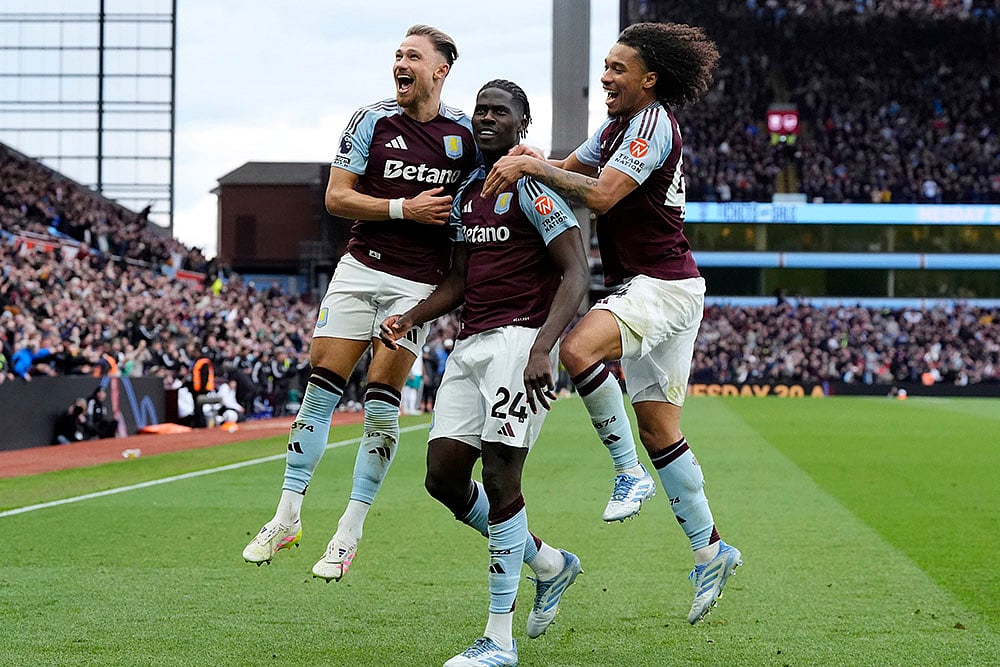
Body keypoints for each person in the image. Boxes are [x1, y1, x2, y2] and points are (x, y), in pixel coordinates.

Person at [482, 22, 742, 625]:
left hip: (660, 284)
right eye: (603, 66)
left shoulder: (651, 125)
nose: (605, 77)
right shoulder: (617, 127)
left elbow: (597, 195)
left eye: (617, 69)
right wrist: (529, 162)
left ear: (649, 80)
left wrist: (533, 168)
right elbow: (567, 170)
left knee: (576, 351)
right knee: (660, 431)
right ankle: (710, 549)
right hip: (664, 287)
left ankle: (628, 476)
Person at [242, 24, 479, 583]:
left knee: (380, 403)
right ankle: (287, 516)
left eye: (413, 56)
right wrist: (405, 209)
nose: (401, 63)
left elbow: (476, 203)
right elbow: (336, 197)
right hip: (359, 268)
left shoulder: (464, 135)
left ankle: (349, 531)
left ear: (441, 69)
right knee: (319, 390)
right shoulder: (371, 119)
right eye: (397, 54)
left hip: (416, 284)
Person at [381, 79, 589, 667]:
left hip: (520, 341)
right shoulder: (469, 188)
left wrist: (544, 347)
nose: (486, 119)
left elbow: (576, 272)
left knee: (501, 478)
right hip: (470, 344)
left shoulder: (532, 188)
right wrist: (409, 317)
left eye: (500, 112)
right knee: (442, 477)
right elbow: (458, 279)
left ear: (523, 125)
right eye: (480, 111)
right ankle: (548, 564)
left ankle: (499, 640)